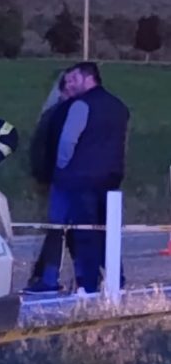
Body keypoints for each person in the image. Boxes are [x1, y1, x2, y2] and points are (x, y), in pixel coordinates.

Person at [54, 62, 131, 295]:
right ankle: (116, 280)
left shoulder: (81, 105)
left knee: (86, 234)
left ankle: (89, 285)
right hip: (111, 177)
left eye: (74, 79)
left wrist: (62, 166)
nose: (70, 84)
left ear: (89, 78)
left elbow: (68, 141)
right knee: (109, 232)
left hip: (82, 178)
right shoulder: (119, 106)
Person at [24, 71, 79, 294]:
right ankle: (53, 276)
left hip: (56, 179)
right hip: (61, 180)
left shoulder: (52, 113)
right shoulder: (60, 114)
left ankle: (46, 276)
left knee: (59, 230)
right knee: (64, 230)